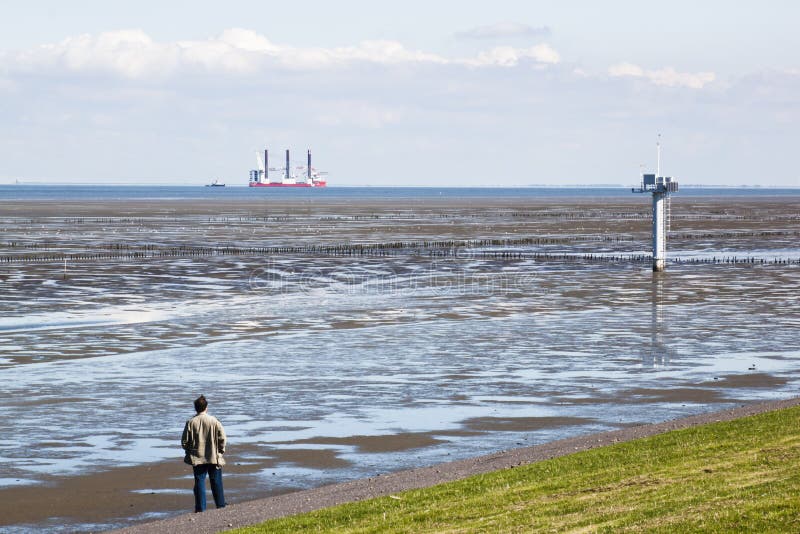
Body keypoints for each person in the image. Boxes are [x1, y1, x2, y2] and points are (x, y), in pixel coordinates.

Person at [181, 395, 227, 512]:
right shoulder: (214, 420)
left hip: (198, 457)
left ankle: (201, 509)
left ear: (196, 408)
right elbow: (223, 438)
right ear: (206, 407)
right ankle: (220, 505)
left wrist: (189, 451)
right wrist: (220, 451)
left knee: (200, 482)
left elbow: (184, 442)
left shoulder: (191, 422)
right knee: (216, 481)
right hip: (213, 456)